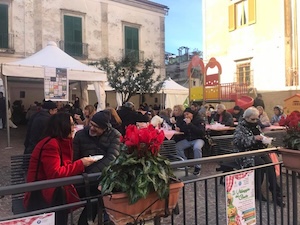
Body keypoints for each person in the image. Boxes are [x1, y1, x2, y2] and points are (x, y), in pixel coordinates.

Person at [24, 112, 96, 225]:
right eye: (72, 124)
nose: (74, 128)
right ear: (63, 126)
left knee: (95, 193)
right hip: (45, 194)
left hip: (53, 190)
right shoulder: (51, 144)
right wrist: (81, 163)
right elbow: (55, 173)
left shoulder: (57, 141)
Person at [73, 110, 121, 225]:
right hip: (85, 180)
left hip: (103, 179)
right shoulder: (80, 135)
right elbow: (74, 158)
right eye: (91, 124)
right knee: (96, 197)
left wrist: (91, 175)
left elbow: (112, 158)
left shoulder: (115, 135)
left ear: (105, 128)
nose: (92, 128)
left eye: (96, 127)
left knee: (99, 197)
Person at [233, 107, 285, 207]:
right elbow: (238, 142)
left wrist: (265, 140)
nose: (255, 121)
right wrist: (254, 138)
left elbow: (260, 137)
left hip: (258, 152)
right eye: (252, 119)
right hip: (245, 154)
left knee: (270, 166)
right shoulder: (240, 128)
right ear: (246, 118)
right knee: (260, 165)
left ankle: (275, 192)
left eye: (256, 119)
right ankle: (257, 191)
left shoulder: (256, 126)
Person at [175, 107, 206, 176]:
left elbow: (201, 132)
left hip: (199, 139)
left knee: (197, 148)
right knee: (178, 146)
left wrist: (190, 124)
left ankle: (197, 167)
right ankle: (186, 163)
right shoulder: (185, 121)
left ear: (192, 114)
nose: (186, 116)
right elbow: (184, 130)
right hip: (189, 139)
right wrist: (179, 129)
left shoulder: (199, 120)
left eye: (187, 114)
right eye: (185, 115)